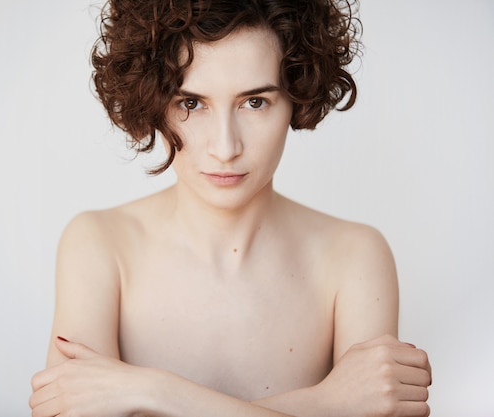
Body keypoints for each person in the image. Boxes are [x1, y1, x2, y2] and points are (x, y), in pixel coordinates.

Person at [29, 0, 432, 416]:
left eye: (255, 102)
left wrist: (149, 392)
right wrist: (329, 404)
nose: (225, 147)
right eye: (190, 103)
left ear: (298, 94)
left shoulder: (355, 256)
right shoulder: (98, 245)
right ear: (151, 98)